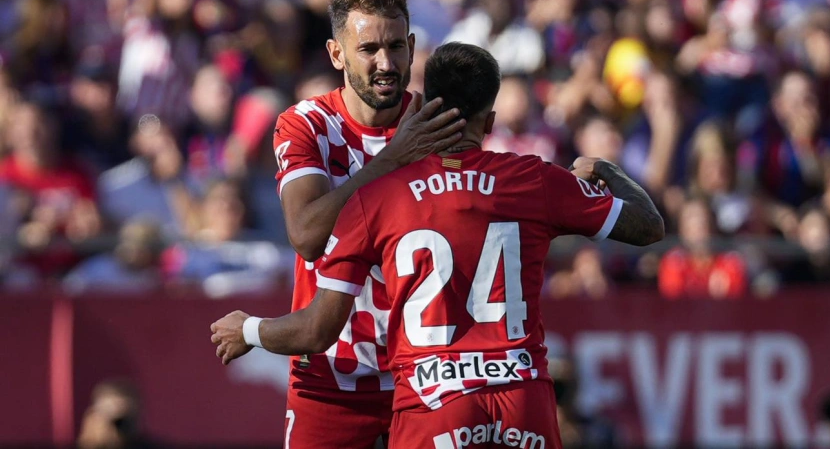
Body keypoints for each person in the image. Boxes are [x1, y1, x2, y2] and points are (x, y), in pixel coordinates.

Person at [211, 43, 664, 448]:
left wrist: (249, 330)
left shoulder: (377, 197)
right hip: (522, 398)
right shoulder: (537, 180)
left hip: (432, 402)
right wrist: (604, 168)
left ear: (426, 107)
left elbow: (319, 330)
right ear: (489, 121)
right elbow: (648, 226)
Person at [210, 0, 464, 449]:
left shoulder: (442, 126)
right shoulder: (308, 124)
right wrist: (392, 161)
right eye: (368, 49)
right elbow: (306, 233)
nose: (385, 63)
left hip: (428, 376)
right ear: (336, 55)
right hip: (331, 378)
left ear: (412, 47)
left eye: (395, 46)